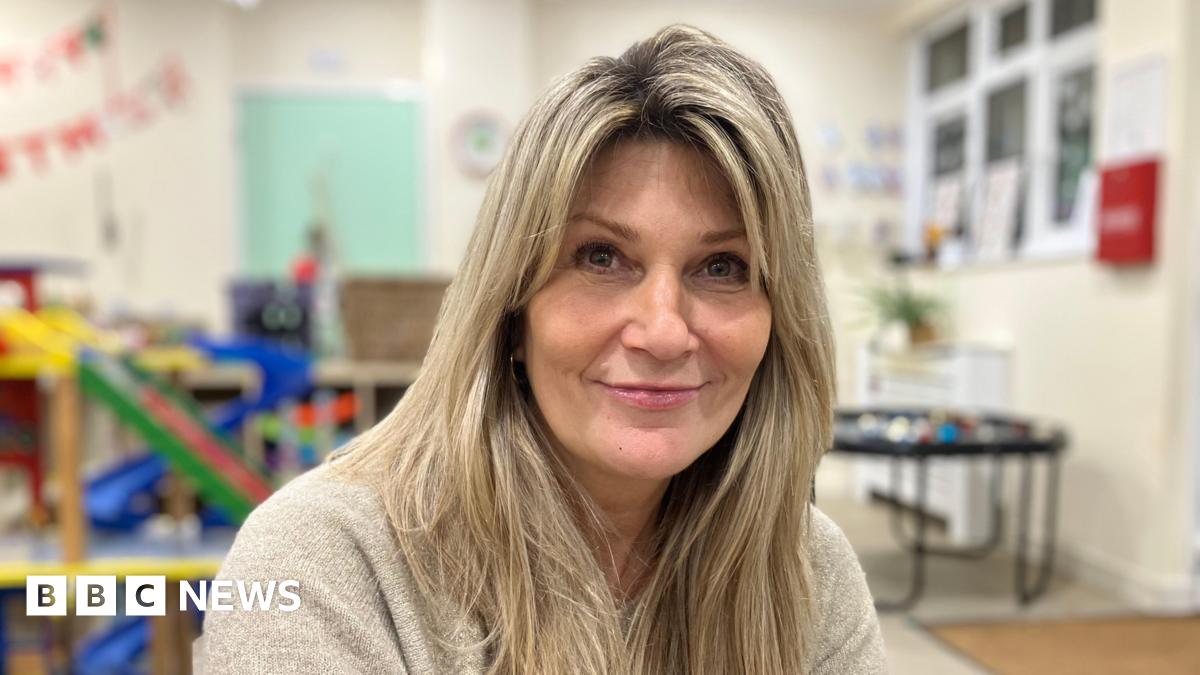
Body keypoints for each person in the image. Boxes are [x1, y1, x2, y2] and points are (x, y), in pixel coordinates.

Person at [197, 24, 885, 674]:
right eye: (601, 256)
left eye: (723, 267)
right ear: (511, 309)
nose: (664, 331)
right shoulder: (323, 562)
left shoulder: (808, 569)